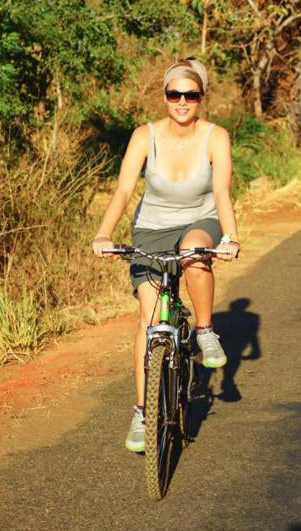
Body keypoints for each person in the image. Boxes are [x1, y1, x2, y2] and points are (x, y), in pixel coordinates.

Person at [91, 57, 240, 452]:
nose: (182, 102)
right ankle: (142, 411)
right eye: (175, 94)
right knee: (147, 316)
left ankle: (206, 331)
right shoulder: (145, 136)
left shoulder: (216, 137)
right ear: (164, 96)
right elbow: (123, 190)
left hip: (200, 222)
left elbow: (222, 191)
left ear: (201, 98)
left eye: (191, 95)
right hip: (151, 229)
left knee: (194, 253)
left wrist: (231, 237)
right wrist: (104, 233)